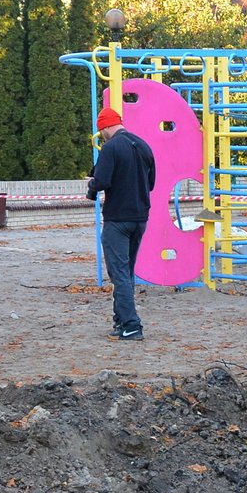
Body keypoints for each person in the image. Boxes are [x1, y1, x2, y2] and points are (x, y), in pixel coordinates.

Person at [86, 106, 154, 341]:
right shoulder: (143, 145)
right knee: (127, 271)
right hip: (140, 219)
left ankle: (131, 325)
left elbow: (102, 180)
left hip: (117, 219)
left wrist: (92, 186)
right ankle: (120, 320)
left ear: (104, 127)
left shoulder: (110, 148)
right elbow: (151, 183)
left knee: (119, 273)